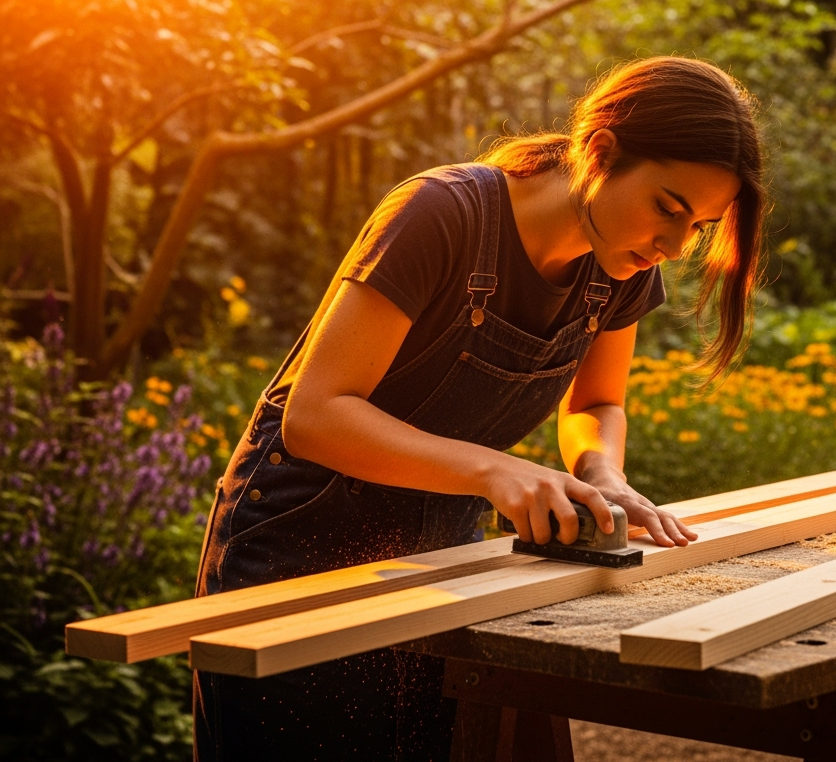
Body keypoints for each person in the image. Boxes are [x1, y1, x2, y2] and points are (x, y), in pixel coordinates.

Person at [192, 56, 767, 760]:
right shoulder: (440, 214)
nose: (675, 247)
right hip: (298, 545)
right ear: (601, 151)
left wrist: (602, 473)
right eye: (668, 209)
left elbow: (596, 402)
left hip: (443, 550)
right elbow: (316, 416)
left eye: (700, 226)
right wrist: (495, 471)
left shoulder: (619, 261)